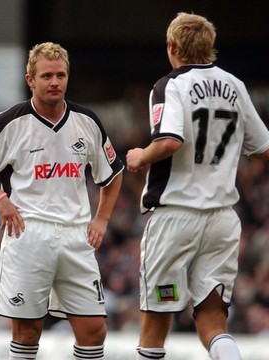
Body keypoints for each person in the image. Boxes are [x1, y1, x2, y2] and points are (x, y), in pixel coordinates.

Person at [0, 42, 123, 360]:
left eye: (60, 75)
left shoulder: (87, 121)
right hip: (29, 234)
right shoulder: (8, 122)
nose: (54, 82)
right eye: (46, 76)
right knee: (28, 331)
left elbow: (112, 175)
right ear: (30, 79)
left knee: (94, 330)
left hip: (76, 235)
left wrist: (101, 219)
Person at [126, 12, 269, 360]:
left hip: (176, 217)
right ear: (210, 47)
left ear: (172, 47)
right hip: (221, 218)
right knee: (213, 319)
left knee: (156, 323)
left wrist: (141, 156)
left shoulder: (169, 85)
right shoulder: (235, 84)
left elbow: (170, 141)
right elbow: (263, 147)